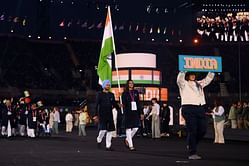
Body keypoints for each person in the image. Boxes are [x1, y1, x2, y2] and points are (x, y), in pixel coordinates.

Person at [177, 71, 215, 160]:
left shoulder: (199, 84)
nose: (193, 76)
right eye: (191, 75)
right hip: (188, 108)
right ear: (188, 76)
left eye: (194, 75)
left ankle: (191, 144)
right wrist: (183, 71)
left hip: (200, 108)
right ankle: (192, 152)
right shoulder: (184, 84)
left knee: (203, 130)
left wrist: (212, 71)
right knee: (192, 131)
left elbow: (207, 80)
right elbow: (179, 80)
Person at [93, 80, 119, 151]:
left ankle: (108, 146)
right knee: (103, 130)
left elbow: (114, 104)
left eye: (109, 85)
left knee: (110, 131)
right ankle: (99, 139)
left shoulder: (111, 94)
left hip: (110, 114)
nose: (108, 86)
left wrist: (119, 105)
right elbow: (96, 105)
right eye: (107, 85)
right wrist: (95, 115)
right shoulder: (99, 94)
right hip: (102, 114)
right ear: (103, 86)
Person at [122, 79, 144, 151]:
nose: (131, 84)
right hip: (128, 112)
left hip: (135, 112)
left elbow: (138, 103)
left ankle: (127, 139)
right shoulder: (124, 93)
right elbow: (124, 104)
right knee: (128, 128)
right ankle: (131, 146)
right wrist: (122, 105)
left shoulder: (136, 92)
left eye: (132, 83)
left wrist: (141, 113)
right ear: (127, 84)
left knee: (136, 127)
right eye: (130, 83)